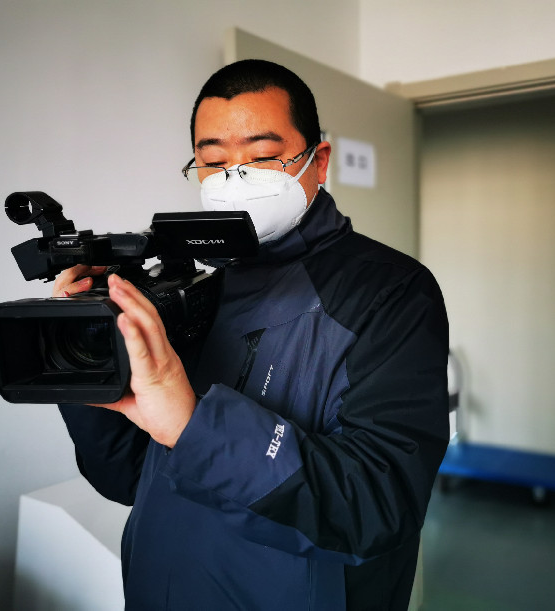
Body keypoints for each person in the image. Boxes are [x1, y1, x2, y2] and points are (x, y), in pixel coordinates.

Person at [54, 59, 449, 610]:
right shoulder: (194, 291)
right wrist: (88, 359)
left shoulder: (390, 290)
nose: (235, 177)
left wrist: (195, 425)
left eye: (262, 157)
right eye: (214, 162)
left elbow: (378, 504)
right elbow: (125, 478)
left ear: (319, 161)